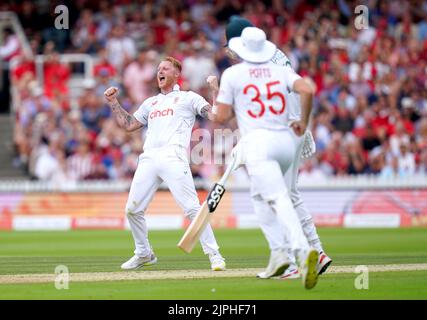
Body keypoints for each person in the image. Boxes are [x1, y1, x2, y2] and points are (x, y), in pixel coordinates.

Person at [222, 17, 332, 279]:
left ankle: (294, 259)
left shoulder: (243, 69)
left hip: (273, 133)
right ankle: (315, 251)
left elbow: (236, 108)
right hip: (294, 132)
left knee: (274, 197)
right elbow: (303, 89)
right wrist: (303, 123)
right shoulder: (276, 58)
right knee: (288, 194)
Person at [103, 56, 226, 271]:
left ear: (177, 74)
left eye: (166, 68)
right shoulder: (151, 102)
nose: (160, 72)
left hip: (173, 155)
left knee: (191, 208)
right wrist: (114, 103)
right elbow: (130, 125)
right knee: (132, 210)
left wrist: (215, 89)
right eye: (159, 69)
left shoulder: (189, 98)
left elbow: (215, 116)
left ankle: (214, 254)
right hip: (149, 157)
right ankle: (144, 253)